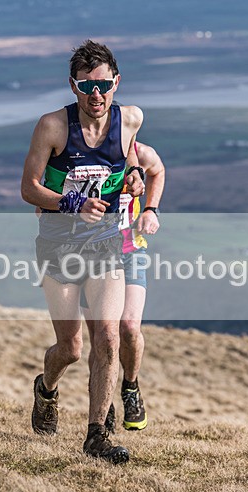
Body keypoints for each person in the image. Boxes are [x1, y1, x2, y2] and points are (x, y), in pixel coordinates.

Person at [20, 40, 145, 464]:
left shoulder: (131, 119)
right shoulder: (52, 127)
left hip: (106, 241)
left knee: (107, 335)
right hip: (59, 243)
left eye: (104, 85)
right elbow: (28, 188)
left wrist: (135, 177)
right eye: (86, 86)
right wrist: (72, 203)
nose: (97, 95)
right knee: (71, 347)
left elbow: (127, 160)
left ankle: (97, 435)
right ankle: (47, 388)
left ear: (117, 83)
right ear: (73, 87)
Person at [84, 141, 164, 433]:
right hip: (89, 254)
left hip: (130, 251)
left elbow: (158, 171)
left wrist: (152, 210)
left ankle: (130, 386)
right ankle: (102, 409)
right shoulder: (80, 156)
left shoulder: (141, 153)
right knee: (101, 338)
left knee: (129, 326)